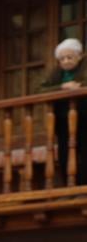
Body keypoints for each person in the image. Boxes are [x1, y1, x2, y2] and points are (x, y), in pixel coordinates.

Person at [41, 37, 85, 185]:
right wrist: (62, 88)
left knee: (84, 151)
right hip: (62, 119)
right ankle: (70, 186)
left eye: (70, 57)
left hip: (84, 116)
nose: (66, 61)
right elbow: (39, 89)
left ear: (79, 56)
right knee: (65, 153)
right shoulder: (56, 73)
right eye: (62, 58)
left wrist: (79, 86)